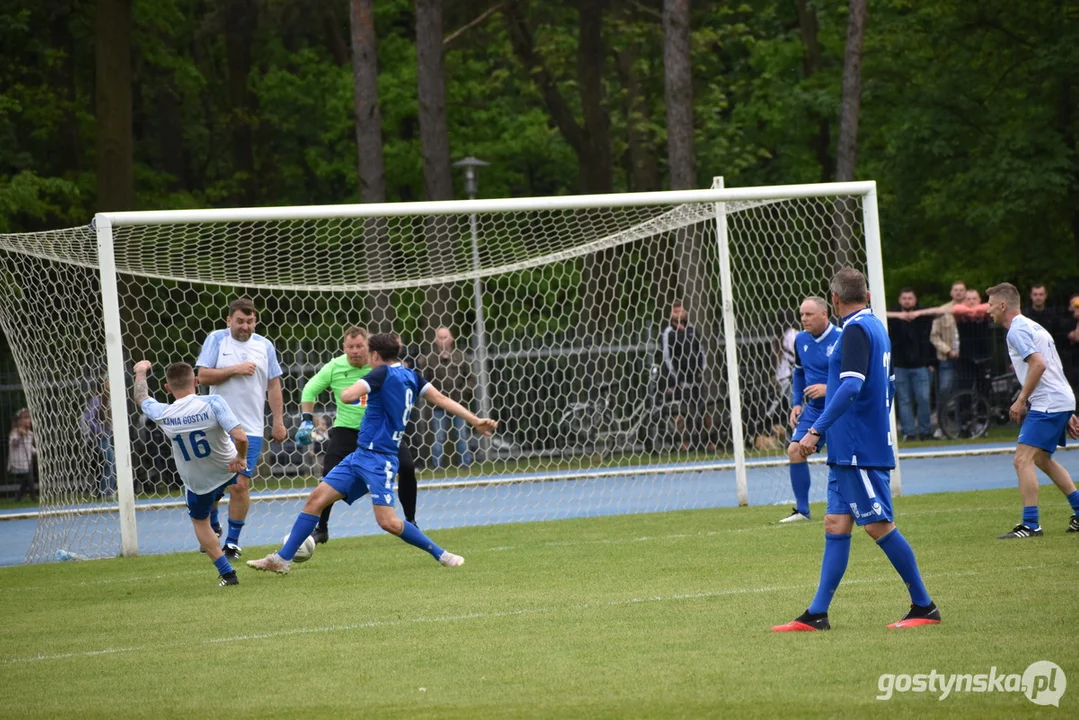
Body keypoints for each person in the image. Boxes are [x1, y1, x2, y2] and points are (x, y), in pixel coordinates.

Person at [247, 332, 498, 574]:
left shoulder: (380, 374)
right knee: (316, 499)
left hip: (380, 460)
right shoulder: (411, 376)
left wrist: (357, 388)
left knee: (387, 522)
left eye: (367, 352)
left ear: (375, 355)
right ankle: (280, 559)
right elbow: (441, 398)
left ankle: (442, 554)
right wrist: (474, 420)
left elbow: (346, 396)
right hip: (359, 455)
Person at [773, 268, 939, 632]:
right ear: (864, 293)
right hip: (849, 447)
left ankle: (924, 606)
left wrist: (816, 431)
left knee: (878, 526)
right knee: (835, 523)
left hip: (857, 449)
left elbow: (850, 387)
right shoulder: (876, 325)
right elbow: (890, 385)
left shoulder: (855, 330)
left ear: (834, 300)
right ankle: (817, 614)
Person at [296, 326, 421, 545]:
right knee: (328, 473)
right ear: (343, 347)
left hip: (380, 433)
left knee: (408, 467)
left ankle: (411, 520)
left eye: (359, 346)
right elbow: (309, 389)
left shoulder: (382, 368)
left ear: (369, 347)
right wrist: (307, 420)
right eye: (350, 346)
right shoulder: (335, 366)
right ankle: (322, 527)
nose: (354, 351)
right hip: (347, 430)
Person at [132, 361, 249, 586]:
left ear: (167, 388)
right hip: (227, 468)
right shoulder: (214, 402)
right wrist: (241, 458)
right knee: (240, 486)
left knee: (199, 520)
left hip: (198, 481)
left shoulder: (164, 412)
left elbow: (141, 398)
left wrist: (140, 373)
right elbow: (241, 437)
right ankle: (231, 538)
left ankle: (228, 574)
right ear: (196, 382)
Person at [983, 283, 1079, 538]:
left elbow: (1039, 365)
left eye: (991, 303)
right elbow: (1052, 366)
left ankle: (1031, 524)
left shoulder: (1017, 330)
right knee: (1041, 459)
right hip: (1057, 400)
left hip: (1048, 402)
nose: (988, 309)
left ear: (1003, 305)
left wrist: (1021, 399)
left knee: (1022, 459)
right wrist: (1067, 408)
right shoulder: (1032, 326)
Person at [195, 297, 287, 559]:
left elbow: (273, 385)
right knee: (212, 484)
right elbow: (203, 375)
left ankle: (232, 543)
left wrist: (278, 421)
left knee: (239, 485)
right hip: (217, 424)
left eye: (250, 321)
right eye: (240, 321)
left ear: (255, 321)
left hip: (251, 427)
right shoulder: (216, 340)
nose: (245, 326)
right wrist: (235, 369)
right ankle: (212, 525)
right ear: (229, 321)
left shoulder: (265, 346)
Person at [780, 297, 839, 523]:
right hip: (814, 410)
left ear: (824, 314)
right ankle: (803, 511)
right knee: (795, 451)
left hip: (839, 408)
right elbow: (799, 372)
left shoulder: (842, 338)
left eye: (809, 314)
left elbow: (854, 379)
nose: (803, 319)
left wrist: (828, 388)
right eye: (802, 314)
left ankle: (851, 505)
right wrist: (796, 403)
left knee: (841, 459)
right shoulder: (800, 340)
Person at [420, 327, 475, 469]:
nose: (443, 340)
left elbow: (470, 378)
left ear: (452, 339)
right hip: (439, 405)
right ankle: (437, 467)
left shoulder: (461, 356)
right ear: (435, 340)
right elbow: (424, 381)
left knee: (462, 435)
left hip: (458, 403)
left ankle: (465, 465)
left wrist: (462, 393)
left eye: (445, 337)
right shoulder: (429, 359)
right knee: (439, 437)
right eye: (440, 337)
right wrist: (433, 397)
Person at [661, 301, 713, 451]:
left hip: (695, 376)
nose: (678, 314)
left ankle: (708, 441)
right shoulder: (668, 333)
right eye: (675, 311)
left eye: (681, 311)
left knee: (703, 409)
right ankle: (684, 442)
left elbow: (700, 350)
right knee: (682, 412)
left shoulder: (691, 330)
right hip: (679, 379)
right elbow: (667, 357)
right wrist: (674, 379)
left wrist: (701, 369)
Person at [886, 288, 935, 441]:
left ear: (915, 300)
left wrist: (930, 362)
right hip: (900, 366)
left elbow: (941, 310)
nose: (907, 301)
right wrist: (900, 315)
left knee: (924, 398)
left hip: (920, 365)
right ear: (899, 300)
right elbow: (878, 312)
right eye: (904, 298)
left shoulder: (923, 317)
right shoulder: (892, 317)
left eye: (910, 298)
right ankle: (909, 433)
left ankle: (925, 431)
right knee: (904, 400)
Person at [928, 280, 965, 414]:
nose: (958, 292)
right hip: (947, 358)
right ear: (951, 292)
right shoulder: (942, 311)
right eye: (956, 290)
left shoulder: (973, 309)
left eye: (961, 290)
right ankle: (942, 423)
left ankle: (965, 424)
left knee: (965, 390)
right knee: (945, 389)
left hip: (967, 357)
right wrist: (948, 350)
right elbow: (934, 336)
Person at [82, 380, 116, 498]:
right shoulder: (97, 400)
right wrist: (98, 430)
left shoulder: (110, 399)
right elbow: (87, 417)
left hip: (109, 435)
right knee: (110, 463)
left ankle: (108, 491)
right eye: (108, 382)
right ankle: (106, 492)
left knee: (111, 463)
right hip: (101, 437)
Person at [8, 408, 36, 502]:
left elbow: (30, 448)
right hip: (17, 464)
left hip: (27, 464)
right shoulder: (14, 433)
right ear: (20, 421)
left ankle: (18, 498)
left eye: (29, 418)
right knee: (29, 477)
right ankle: (34, 498)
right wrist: (20, 435)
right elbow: (13, 443)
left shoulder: (30, 434)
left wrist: (39, 452)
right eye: (26, 418)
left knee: (26, 479)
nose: (29, 420)